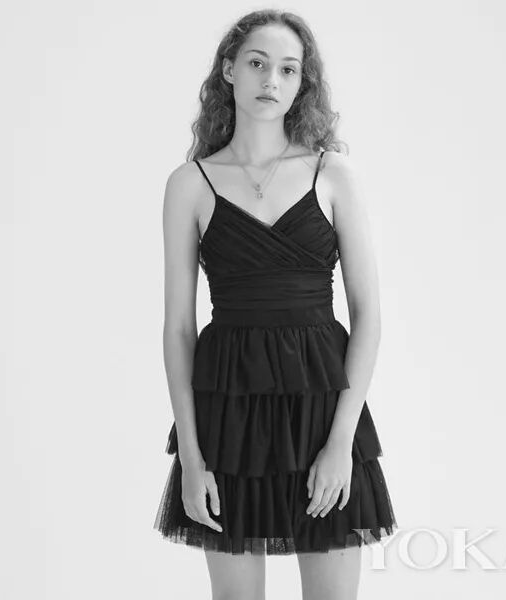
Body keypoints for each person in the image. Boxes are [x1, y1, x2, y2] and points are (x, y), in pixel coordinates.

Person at [154, 9, 398, 600]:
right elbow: (179, 328)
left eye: (288, 69)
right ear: (228, 70)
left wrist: (341, 442)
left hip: (323, 408)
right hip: (228, 417)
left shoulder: (333, 174)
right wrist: (191, 455)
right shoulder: (190, 184)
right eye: (258, 63)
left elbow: (368, 315)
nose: (272, 80)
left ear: (301, 82)